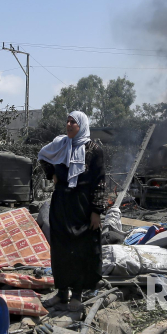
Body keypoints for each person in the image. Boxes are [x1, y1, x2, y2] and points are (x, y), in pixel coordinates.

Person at [38, 111, 106, 311]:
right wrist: (51, 174)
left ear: (82, 125)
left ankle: (77, 294)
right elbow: (42, 155)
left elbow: (100, 181)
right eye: (67, 121)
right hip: (61, 202)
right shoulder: (60, 144)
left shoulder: (94, 149)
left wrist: (96, 211)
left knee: (80, 249)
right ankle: (61, 293)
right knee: (60, 248)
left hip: (82, 204)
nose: (68, 124)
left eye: (73, 122)